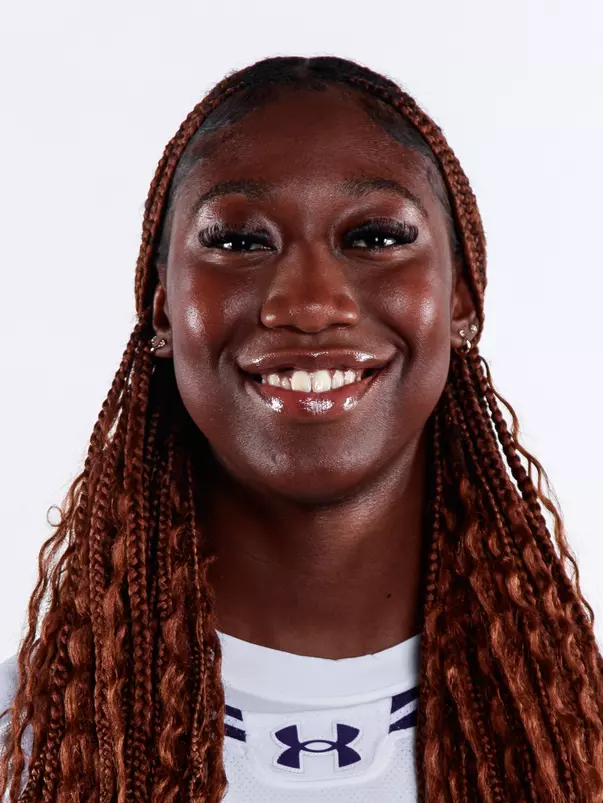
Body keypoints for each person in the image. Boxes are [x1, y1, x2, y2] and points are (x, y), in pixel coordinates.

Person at [0, 54, 601, 803]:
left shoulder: (576, 738)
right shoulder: (28, 750)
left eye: (376, 237)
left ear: (460, 300)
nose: (310, 304)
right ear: (162, 309)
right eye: (238, 241)